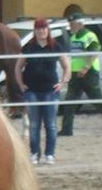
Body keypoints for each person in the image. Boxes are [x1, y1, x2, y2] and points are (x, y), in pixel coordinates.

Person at [16, 18, 70, 164]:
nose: (42, 31)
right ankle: (34, 153)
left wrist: (63, 82)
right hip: (32, 91)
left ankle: (50, 154)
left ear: (48, 30)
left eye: (44, 28)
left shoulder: (55, 46)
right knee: (34, 124)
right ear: (35, 30)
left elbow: (67, 66)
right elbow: (18, 67)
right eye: (39, 28)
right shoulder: (28, 47)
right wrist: (21, 84)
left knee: (51, 124)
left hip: (50, 91)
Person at [60, 14, 102, 136]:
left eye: (72, 24)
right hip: (76, 74)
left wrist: (86, 67)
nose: (70, 26)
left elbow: (94, 51)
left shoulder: (89, 35)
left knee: (97, 100)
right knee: (69, 102)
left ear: (79, 24)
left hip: (89, 72)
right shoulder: (74, 37)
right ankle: (67, 129)